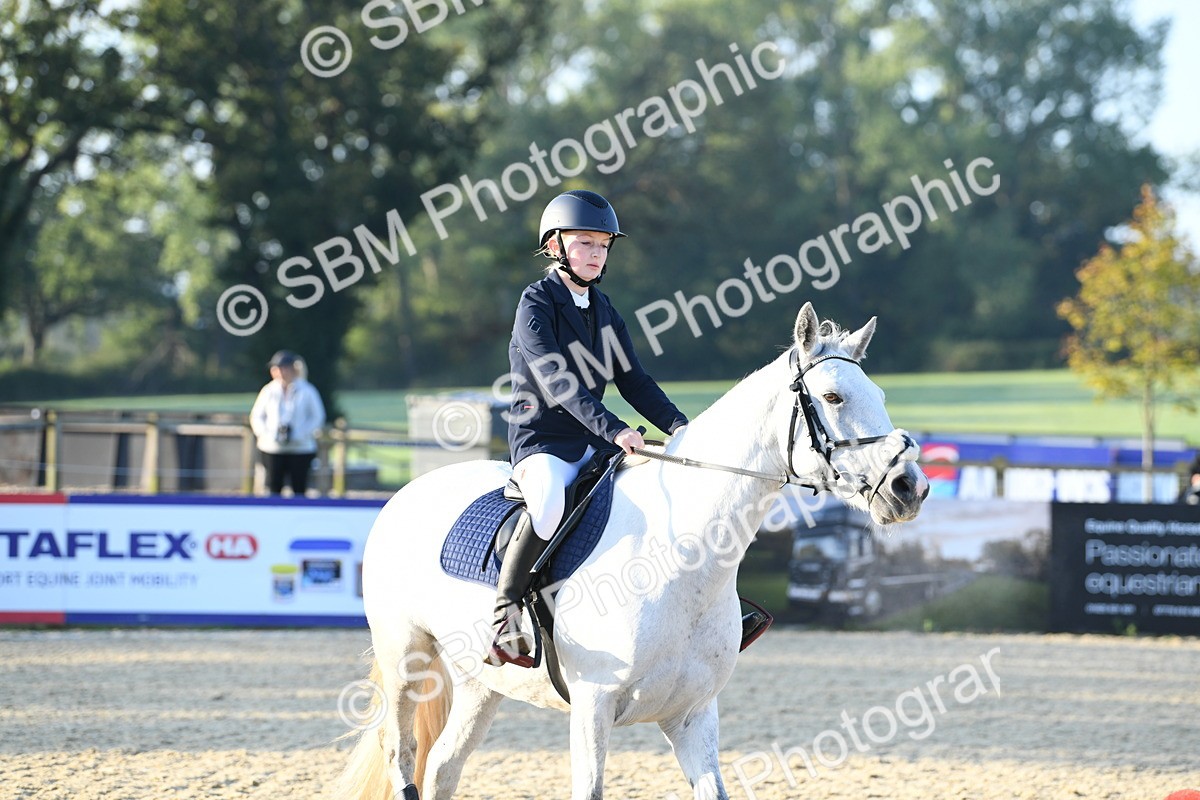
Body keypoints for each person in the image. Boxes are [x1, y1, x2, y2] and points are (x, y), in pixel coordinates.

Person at [250, 350, 326, 496]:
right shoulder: (268, 391)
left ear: (293, 369)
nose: (279, 372)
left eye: (283, 368)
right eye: (276, 369)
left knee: (299, 488)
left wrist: (301, 434)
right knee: (273, 488)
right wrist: (267, 434)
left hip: (300, 448)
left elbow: (317, 417)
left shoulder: (307, 390)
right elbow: (257, 416)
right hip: (272, 448)